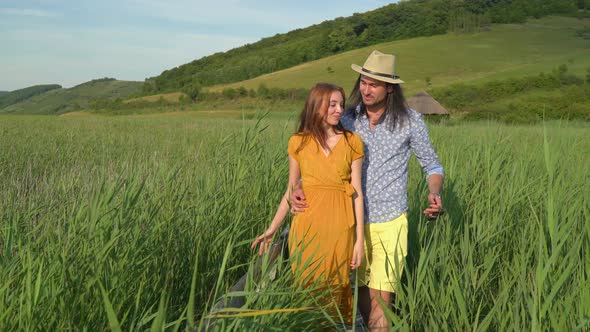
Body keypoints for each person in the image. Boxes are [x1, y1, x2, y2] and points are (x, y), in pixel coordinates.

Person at [291, 51, 445, 331]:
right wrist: (298, 187)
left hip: (390, 220)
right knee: (362, 291)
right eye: (363, 82)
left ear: (389, 88)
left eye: (374, 84)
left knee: (381, 296)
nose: (366, 89)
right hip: (351, 222)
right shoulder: (347, 118)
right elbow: (315, 152)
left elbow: (432, 165)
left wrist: (434, 192)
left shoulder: (410, 121)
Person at [251, 83, 365, 327]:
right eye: (332, 104)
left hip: (339, 227)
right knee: (307, 287)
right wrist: (272, 228)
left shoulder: (352, 142)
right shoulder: (298, 142)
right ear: (316, 106)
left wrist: (359, 241)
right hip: (306, 227)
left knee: (336, 287)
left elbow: (357, 194)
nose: (339, 110)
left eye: (341, 104)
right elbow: (291, 190)